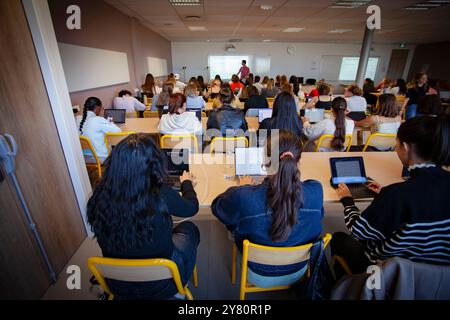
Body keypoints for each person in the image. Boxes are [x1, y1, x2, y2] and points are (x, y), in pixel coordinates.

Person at [331, 116, 450, 277]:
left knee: (338, 238)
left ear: (406, 147)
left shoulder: (397, 195)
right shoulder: (397, 194)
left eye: (397, 142)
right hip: (438, 274)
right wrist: (385, 195)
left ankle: (351, 287)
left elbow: (359, 230)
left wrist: (347, 200)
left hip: (390, 271)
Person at [87, 133, 200, 299]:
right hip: (164, 284)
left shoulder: (99, 197)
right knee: (190, 228)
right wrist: (186, 183)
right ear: (154, 164)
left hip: (118, 283)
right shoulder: (161, 194)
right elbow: (191, 208)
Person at [211, 130, 323, 287]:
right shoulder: (316, 190)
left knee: (234, 221)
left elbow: (218, 208)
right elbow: (319, 216)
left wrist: (241, 189)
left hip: (257, 274)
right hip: (299, 272)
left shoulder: (245, 196)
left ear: (265, 159)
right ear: (299, 160)